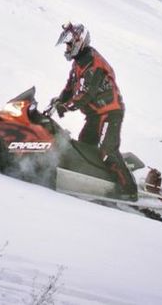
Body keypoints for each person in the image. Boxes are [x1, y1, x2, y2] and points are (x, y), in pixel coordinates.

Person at [48, 22, 137, 200]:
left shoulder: (93, 63)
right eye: (66, 44)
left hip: (110, 113)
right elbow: (70, 88)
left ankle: (129, 190)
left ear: (79, 41)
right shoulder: (78, 63)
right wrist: (58, 100)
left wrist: (66, 106)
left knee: (107, 150)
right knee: (84, 148)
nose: (67, 48)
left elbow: (86, 94)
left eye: (68, 44)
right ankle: (97, 181)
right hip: (95, 115)